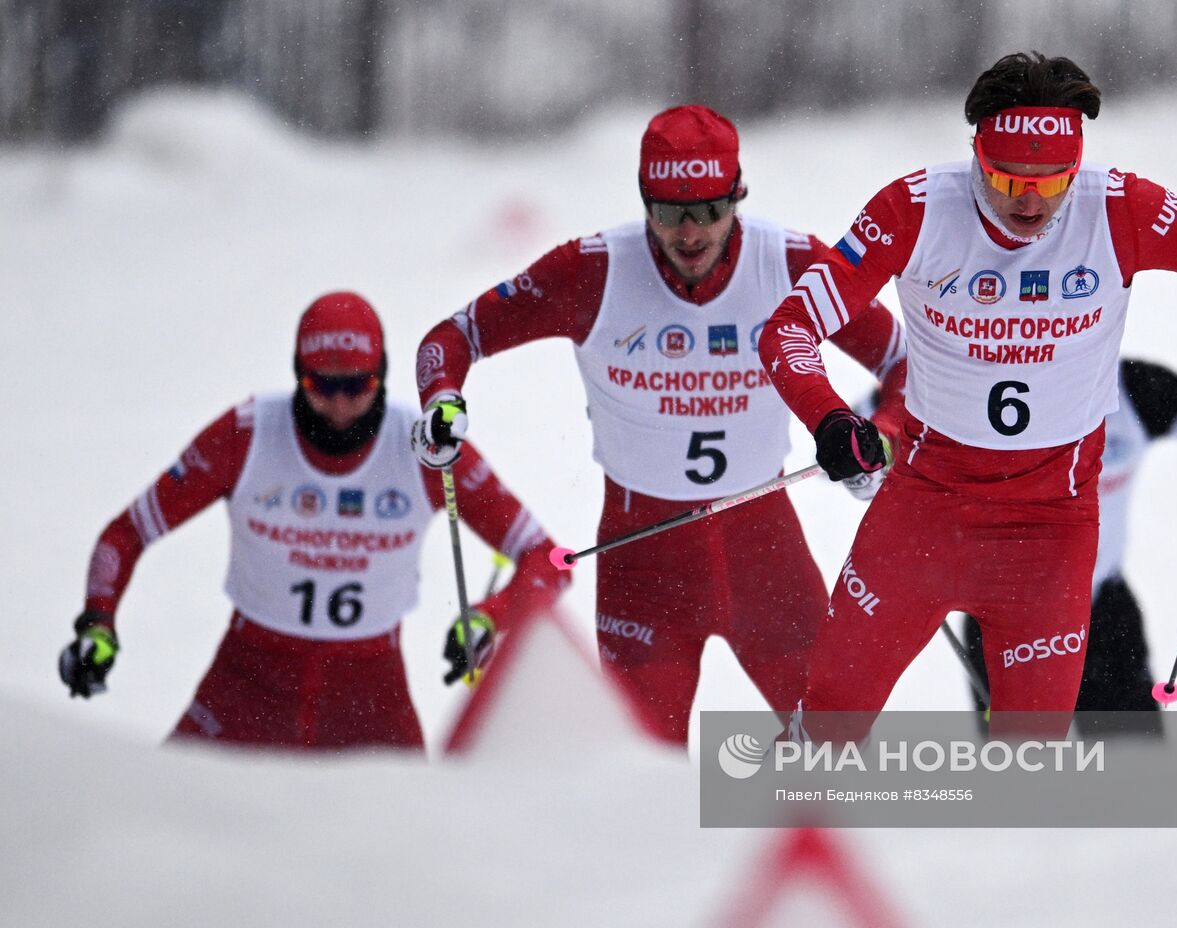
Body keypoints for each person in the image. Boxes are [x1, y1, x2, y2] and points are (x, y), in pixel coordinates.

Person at [758, 52, 1177, 736]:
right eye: (1004, 179)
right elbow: (789, 328)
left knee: (1029, 764)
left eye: (1052, 182)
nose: (1030, 202)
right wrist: (829, 417)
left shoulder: (1117, 207)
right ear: (975, 155)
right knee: (827, 721)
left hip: (1050, 530)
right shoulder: (914, 208)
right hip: (925, 510)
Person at [411, 105, 908, 746]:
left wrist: (883, 440)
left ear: (738, 196)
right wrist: (440, 400)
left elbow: (901, 363)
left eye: (709, 209)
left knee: (838, 753)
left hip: (766, 558)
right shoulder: (592, 270)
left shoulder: (788, 263)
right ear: (645, 201)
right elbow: (454, 337)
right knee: (638, 787)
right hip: (643, 567)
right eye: (670, 211)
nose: (691, 232)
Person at [60, 292, 568, 751]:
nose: (341, 406)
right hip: (246, 684)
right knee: (158, 826)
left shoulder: (421, 447)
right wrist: (98, 622)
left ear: (383, 375)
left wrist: (489, 615)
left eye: (358, 385)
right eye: (322, 385)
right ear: (297, 372)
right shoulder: (247, 432)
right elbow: (125, 534)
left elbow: (548, 558)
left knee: (410, 847)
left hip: (369, 697)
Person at [950, 359, 1177, 735]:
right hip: (1003, 624)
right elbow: (883, 436)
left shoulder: (1140, 390)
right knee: (1023, 785)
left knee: (1136, 780)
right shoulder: (979, 392)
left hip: (1103, 616)